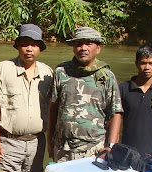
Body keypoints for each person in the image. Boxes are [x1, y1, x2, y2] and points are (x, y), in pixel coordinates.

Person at [0, 24, 53, 172]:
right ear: (18, 46)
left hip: (37, 143)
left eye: (34, 44)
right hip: (8, 143)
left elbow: (53, 108)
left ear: (40, 48)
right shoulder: (2, 69)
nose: (29, 49)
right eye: (24, 43)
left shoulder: (48, 73)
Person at [47, 26, 123, 162]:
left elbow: (116, 113)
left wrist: (110, 147)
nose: (83, 48)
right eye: (78, 44)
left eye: (88, 43)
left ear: (98, 48)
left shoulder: (106, 77)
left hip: (94, 149)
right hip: (63, 148)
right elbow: (53, 108)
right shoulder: (61, 72)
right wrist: (50, 142)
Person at [119, 45, 152, 157]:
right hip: (127, 151)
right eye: (143, 63)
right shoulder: (123, 89)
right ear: (136, 64)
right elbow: (115, 121)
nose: (147, 67)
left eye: (151, 63)